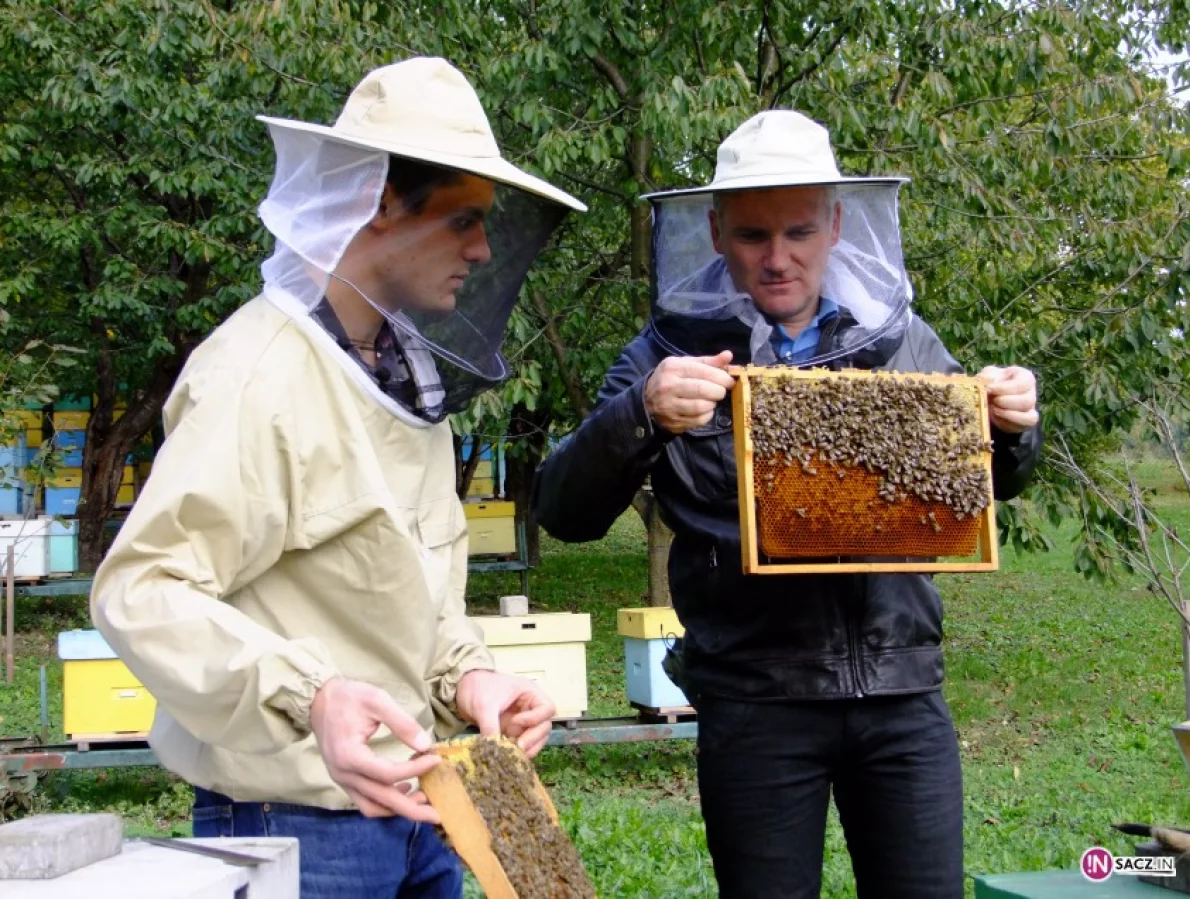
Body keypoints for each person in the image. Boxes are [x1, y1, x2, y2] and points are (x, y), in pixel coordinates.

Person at [89, 57, 586, 899]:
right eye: (464, 219)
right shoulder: (256, 375)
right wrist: (310, 695)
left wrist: (469, 675)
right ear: (383, 203)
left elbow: (406, 594)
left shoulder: (399, 374)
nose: (485, 249)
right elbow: (141, 588)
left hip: (429, 802)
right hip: (296, 821)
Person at [532, 110, 1041, 898]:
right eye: (752, 235)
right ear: (713, 230)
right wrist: (639, 411)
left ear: (837, 225)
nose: (777, 258)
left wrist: (1010, 425)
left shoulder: (900, 339)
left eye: (799, 231)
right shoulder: (662, 351)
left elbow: (990, 482)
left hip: (902, 696)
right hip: (756, 702)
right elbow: (563, 510)